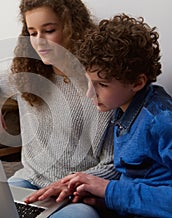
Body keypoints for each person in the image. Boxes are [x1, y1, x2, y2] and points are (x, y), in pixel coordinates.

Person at [0, 0, 120, 217]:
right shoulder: (30, 74)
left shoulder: (101, 86)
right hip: (29, 181)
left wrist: (69, 184)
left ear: (74, 29)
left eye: (49, 30)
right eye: (32, 33)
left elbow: (111, 163)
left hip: (75, 193)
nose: (39, 41)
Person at [25, 14, 172, 217]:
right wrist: (102, 199)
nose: (90, 93)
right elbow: (137, 180)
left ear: (137, 82)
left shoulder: (161, 121)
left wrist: (107, 190)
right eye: (89, 81)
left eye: (102, 85)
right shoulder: (122, 110)